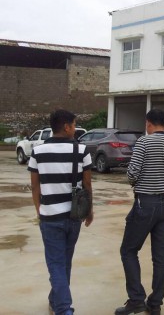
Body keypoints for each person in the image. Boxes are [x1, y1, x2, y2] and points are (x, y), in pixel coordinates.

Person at [115, 109, 164, 315]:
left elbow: (132, 173)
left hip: (145, 204)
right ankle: (155, 303)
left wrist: (138, 181)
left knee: (128, 250)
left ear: (148, 123)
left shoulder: (144, 143)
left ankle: (136, 299)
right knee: (160, 256)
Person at [29, 109, 94, 315]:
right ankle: (58, 303)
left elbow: (35, 186)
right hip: (74, 216)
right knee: (64, 262)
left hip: (50, 218)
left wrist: (40, 210)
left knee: (57, 263)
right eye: (74, 125)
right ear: (66, 127)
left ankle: (64, 309)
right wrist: (89, 210)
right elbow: (87, 184)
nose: (75, 129)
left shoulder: (37, 151)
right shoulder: (82, 150)